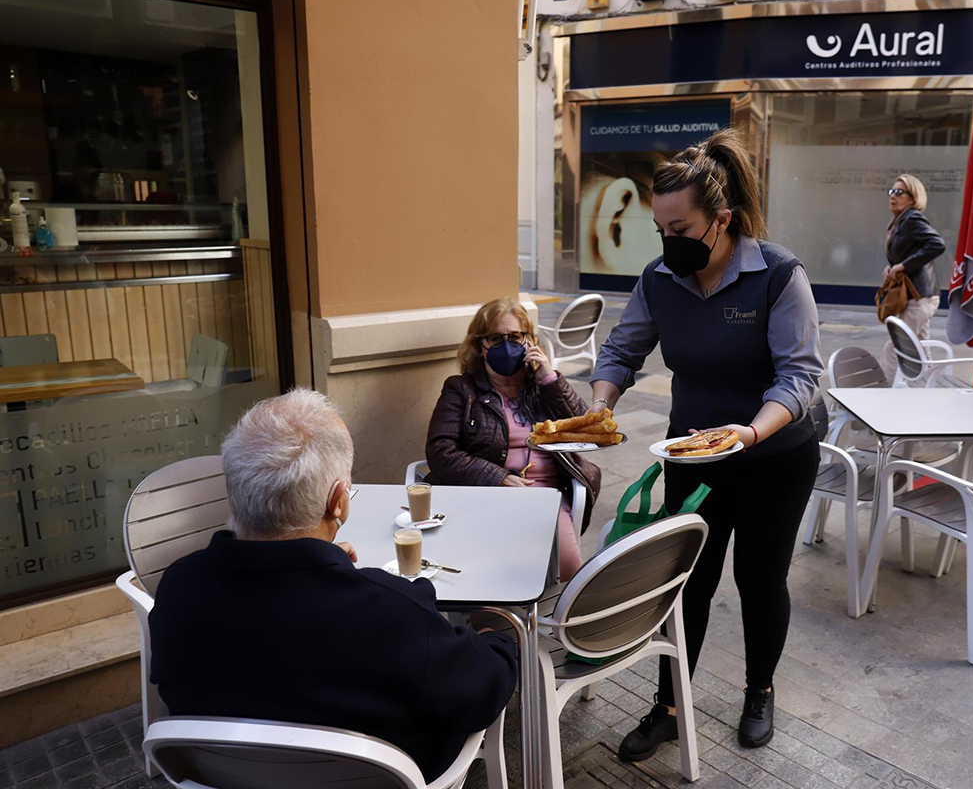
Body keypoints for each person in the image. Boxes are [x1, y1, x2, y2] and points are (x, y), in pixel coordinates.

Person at [589, 129, 823, 755]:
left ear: (722, 220)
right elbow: (622, 348)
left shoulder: (777, 275)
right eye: (660, 231)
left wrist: (748, 431)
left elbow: (800, 375)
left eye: (682, 230)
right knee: (685, 577)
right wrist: (600, 406)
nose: (669, 245)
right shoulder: (660, 278)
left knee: (759, 578)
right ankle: (668, 705)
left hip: (774, 452)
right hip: (693, 453)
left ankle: (759, 691)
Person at [149, 389, 518, 782]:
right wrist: (499, 638)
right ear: (338, 501)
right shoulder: (391, 616)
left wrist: (322, 566)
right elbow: (485, 691)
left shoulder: (177, 589)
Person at [426, 297, 601, 581]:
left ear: (529, 341)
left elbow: (588, 431)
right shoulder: (461, 389)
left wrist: (550, 379)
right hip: (488, 495)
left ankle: (557, 622)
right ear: (479, 346)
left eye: (515, 336)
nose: (506, 345)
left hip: (547, 494)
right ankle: (493, 623)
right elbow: (440, 451)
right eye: (495, 338)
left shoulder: (542, 387)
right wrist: (498, 478)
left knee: (569, 569)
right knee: (491, 573)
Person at [880, 174, 947, 384]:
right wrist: (893, 267)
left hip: (920, 297)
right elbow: (906, 252)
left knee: (895, 347)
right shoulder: (901, 221)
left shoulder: (912, 218)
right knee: (920, 346)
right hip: (917, 296)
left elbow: (937, 244)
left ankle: (881, 394)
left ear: (913, 197)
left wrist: (903, 266)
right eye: (891, 192)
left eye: (899, 192)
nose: (893, 196)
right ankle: (928, 390)